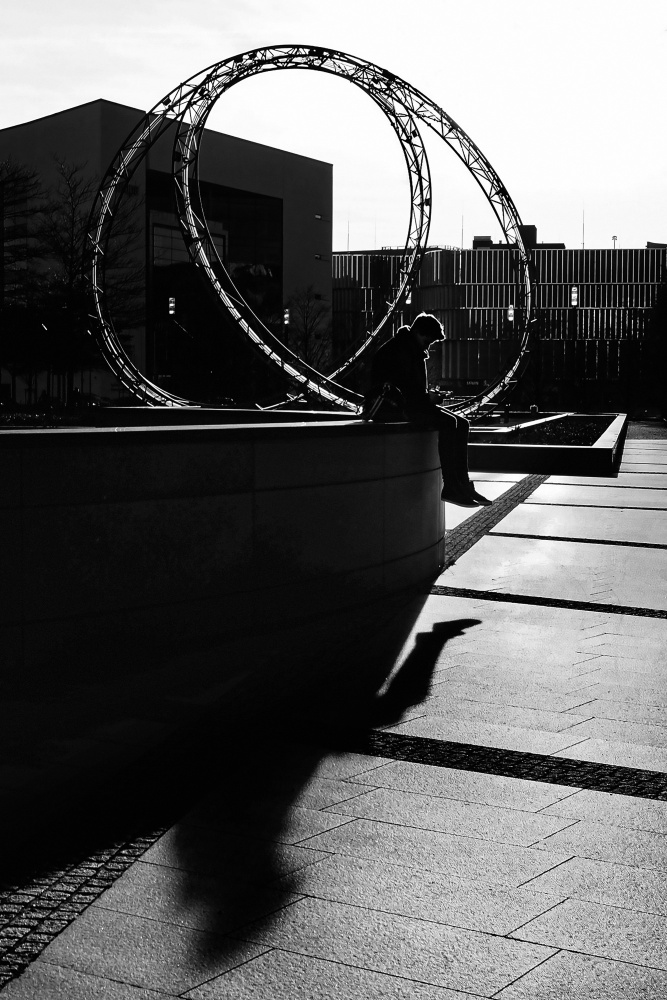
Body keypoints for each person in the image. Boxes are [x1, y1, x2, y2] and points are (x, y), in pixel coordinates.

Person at [363, 312, 492, 508]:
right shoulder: (401, 351)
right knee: (450, 423)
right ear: (417, 332)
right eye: (428, 339)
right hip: (392, 409)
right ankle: (452, 486)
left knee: (462, 423)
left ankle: (462, 485)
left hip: (403, 404)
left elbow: (407, 388)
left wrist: (427, 396)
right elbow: (405, 390)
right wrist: (427, 397)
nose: (429, 344)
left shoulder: (408, 348)